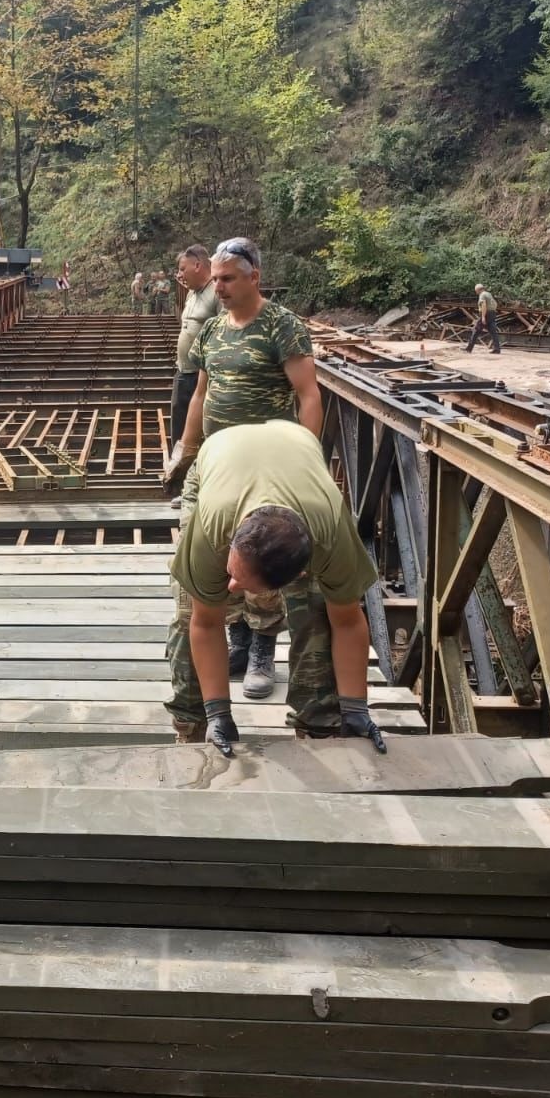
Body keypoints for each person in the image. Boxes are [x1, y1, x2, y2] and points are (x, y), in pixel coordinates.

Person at [163, 236, 323, 703]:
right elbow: (199, 394)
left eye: (228, 278)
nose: (220, 287)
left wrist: (304, 455)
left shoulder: (282, 326)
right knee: (210, 550)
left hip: (267, 465)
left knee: (261, 549)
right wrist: (185, 449)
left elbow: (309, 396)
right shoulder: (213, 331)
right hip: (216, 461)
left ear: (255, 277)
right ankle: (237, 638)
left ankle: (262, 647)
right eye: (215, 279)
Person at [166, 421, 384, 758]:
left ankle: (321, 727)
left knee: (317, 613)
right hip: (219, 461)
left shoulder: (330, 534)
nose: (232, 588)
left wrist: (356, 708)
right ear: (232, 541)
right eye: (232, 573)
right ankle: (194, 729)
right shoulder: (214, 526)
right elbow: (205, 623)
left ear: (301, 572)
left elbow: (347, 621)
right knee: (187, 613)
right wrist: (218, 712)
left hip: (295, 455)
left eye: (243, 584)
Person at [170, 245, 219, 462]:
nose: (179, 275)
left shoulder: (217, 293)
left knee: (200, 432)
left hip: (203, 376)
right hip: (183, 372)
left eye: (183, 269)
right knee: (179, 429)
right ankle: (179, 480)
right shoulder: (191, 292)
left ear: (197, 265)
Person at [467, 283, 501, 354]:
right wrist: (492, 311)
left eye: (476, 291)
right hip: (492, 313)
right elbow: (495, 304)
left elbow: (484, 305)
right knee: (493, 332)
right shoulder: (488, 294)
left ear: (478, 290)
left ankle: (469, 348)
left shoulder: (482, 295)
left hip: (486, 314)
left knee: (476, 330)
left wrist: (483, 317)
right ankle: (497, 349)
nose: (476, 292)